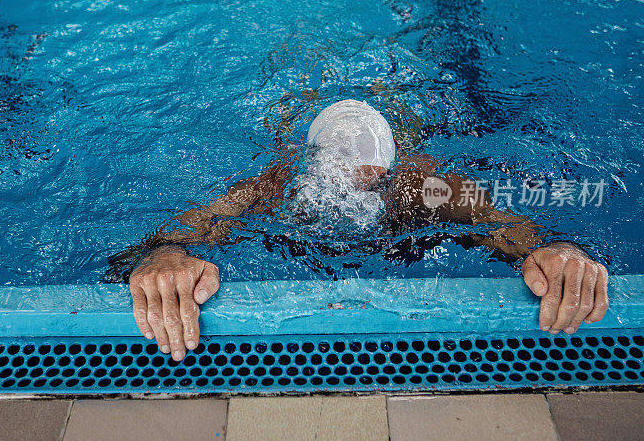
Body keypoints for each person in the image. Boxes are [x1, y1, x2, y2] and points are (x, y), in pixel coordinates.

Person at [107, 100, 609, 361]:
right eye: (332, 187)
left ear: (393, 175)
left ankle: (396, 111)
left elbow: (516, 230)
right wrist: (164, 255)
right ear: (307, 173)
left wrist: (557, 252)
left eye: (371, 189)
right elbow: (177, 234)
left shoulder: (424, 188)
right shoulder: (278, 183)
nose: (350, 206)